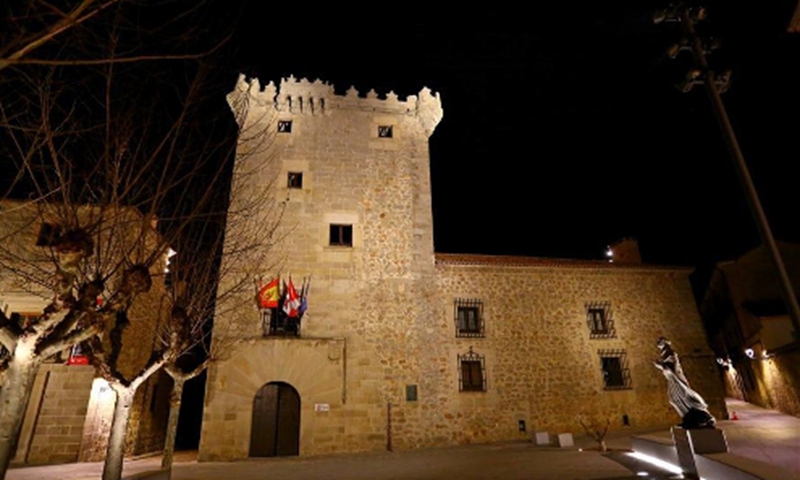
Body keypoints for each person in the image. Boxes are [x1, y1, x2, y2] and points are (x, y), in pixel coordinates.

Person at [654, 336, 716, 429]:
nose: (658, 344)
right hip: (671, 378)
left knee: (684, 396)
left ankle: (704, 416)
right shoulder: (665, 353)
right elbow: (668, 367)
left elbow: (673, 367)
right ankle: (687, 418)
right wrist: (661, 366)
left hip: (676, 379)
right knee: (673, 398)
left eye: (660, 342)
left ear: (664, 343)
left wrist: (661, 365)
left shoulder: (670, 352)